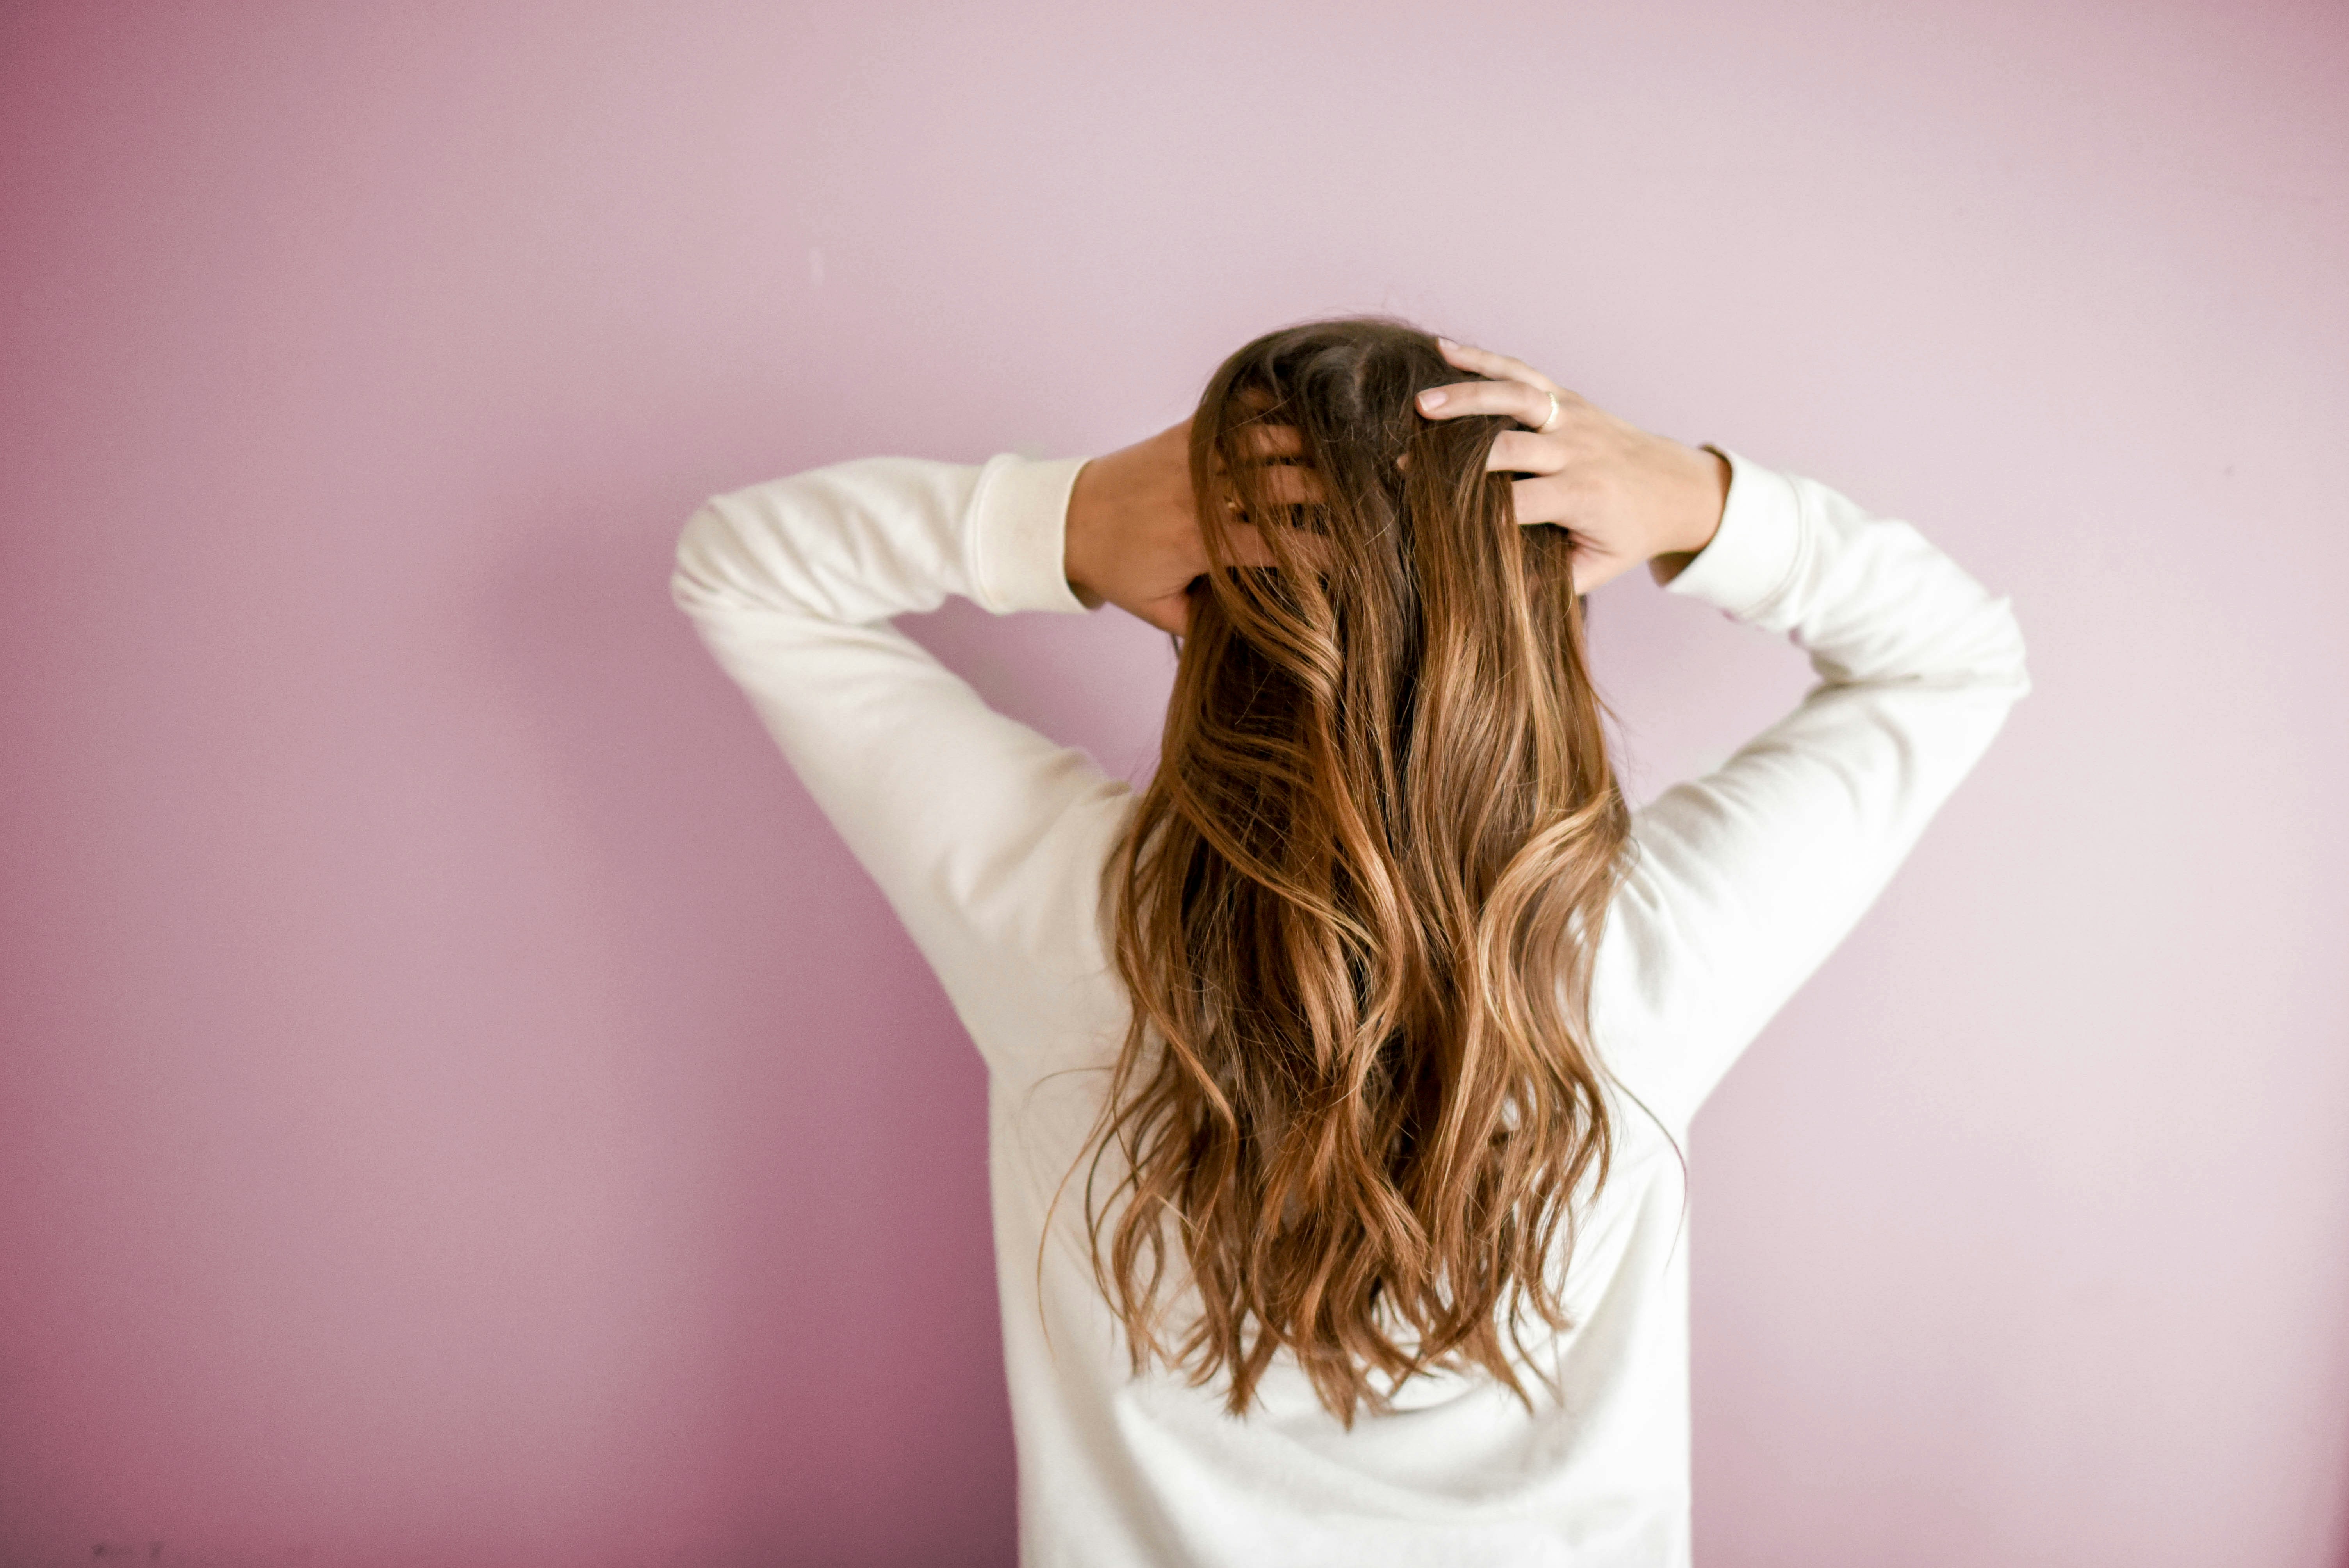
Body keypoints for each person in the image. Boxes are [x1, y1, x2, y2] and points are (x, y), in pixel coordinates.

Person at [669, 319, 2030, 1566]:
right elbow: (1957, 657)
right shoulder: (1638, 959)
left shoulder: (1072, 923)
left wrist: (1069, 519)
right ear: (1545, 622)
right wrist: (1696, 502)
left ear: (1202, 604)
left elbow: (742, 571)